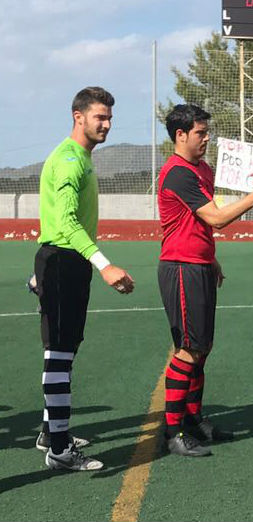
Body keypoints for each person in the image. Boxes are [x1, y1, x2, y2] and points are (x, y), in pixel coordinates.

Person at [157, 104, 253, 457]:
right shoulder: (178, 173)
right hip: (180, 267)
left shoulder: (202, 169)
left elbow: (198, 223)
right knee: (189, 349)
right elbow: (215, 219)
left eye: (207, 131)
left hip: (198, 265)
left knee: (202, 349)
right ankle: (172, 431)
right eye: (201, 132)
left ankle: (194, 419)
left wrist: (211, 259)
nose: (207, 137)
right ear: (180, 135)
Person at [35, 86, 135, 471]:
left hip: (63, 262)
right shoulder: (70, 162)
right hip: (64, 261)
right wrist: (103, 263)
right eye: (100, 117)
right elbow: (65, 224)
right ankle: (59, 450)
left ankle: (50, 431)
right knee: (59, 354)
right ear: (79, 117)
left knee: (67, 347)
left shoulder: (79, 157)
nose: (107, 124)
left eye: (109, 118)